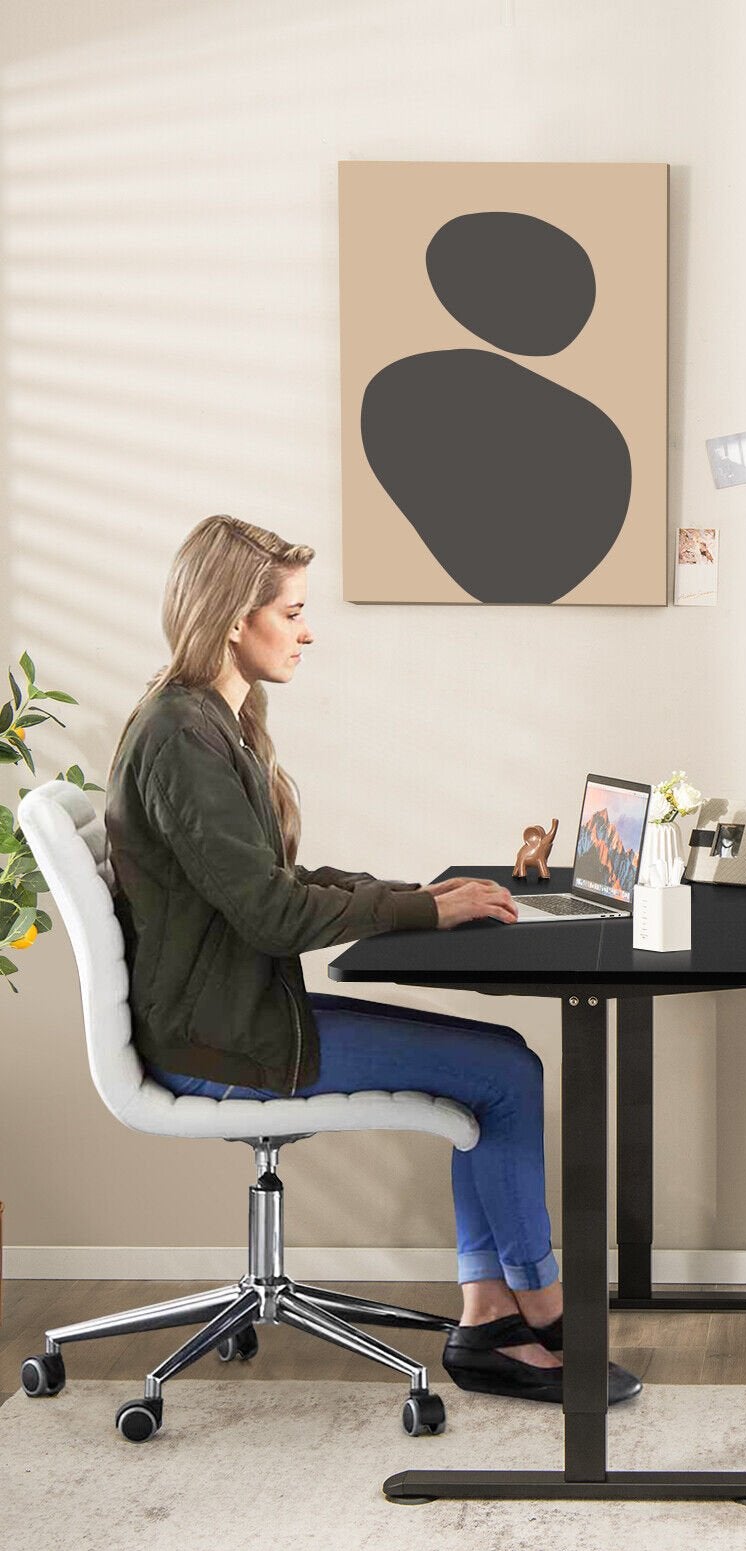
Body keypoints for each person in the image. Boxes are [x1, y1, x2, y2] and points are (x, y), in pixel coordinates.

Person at [105, 513, 641, 1406]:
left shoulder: (204, 723)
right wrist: (418, 909)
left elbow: (267, 882)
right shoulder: (181, 738)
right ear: (235, 617)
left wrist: (417, 900)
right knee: (504, 1074)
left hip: (233, 1016)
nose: (308, 631)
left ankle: (491, 1316)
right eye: (293, 611)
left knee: (502, 1065)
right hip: (220, 1045)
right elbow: (272, 912)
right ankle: (540, 1310)